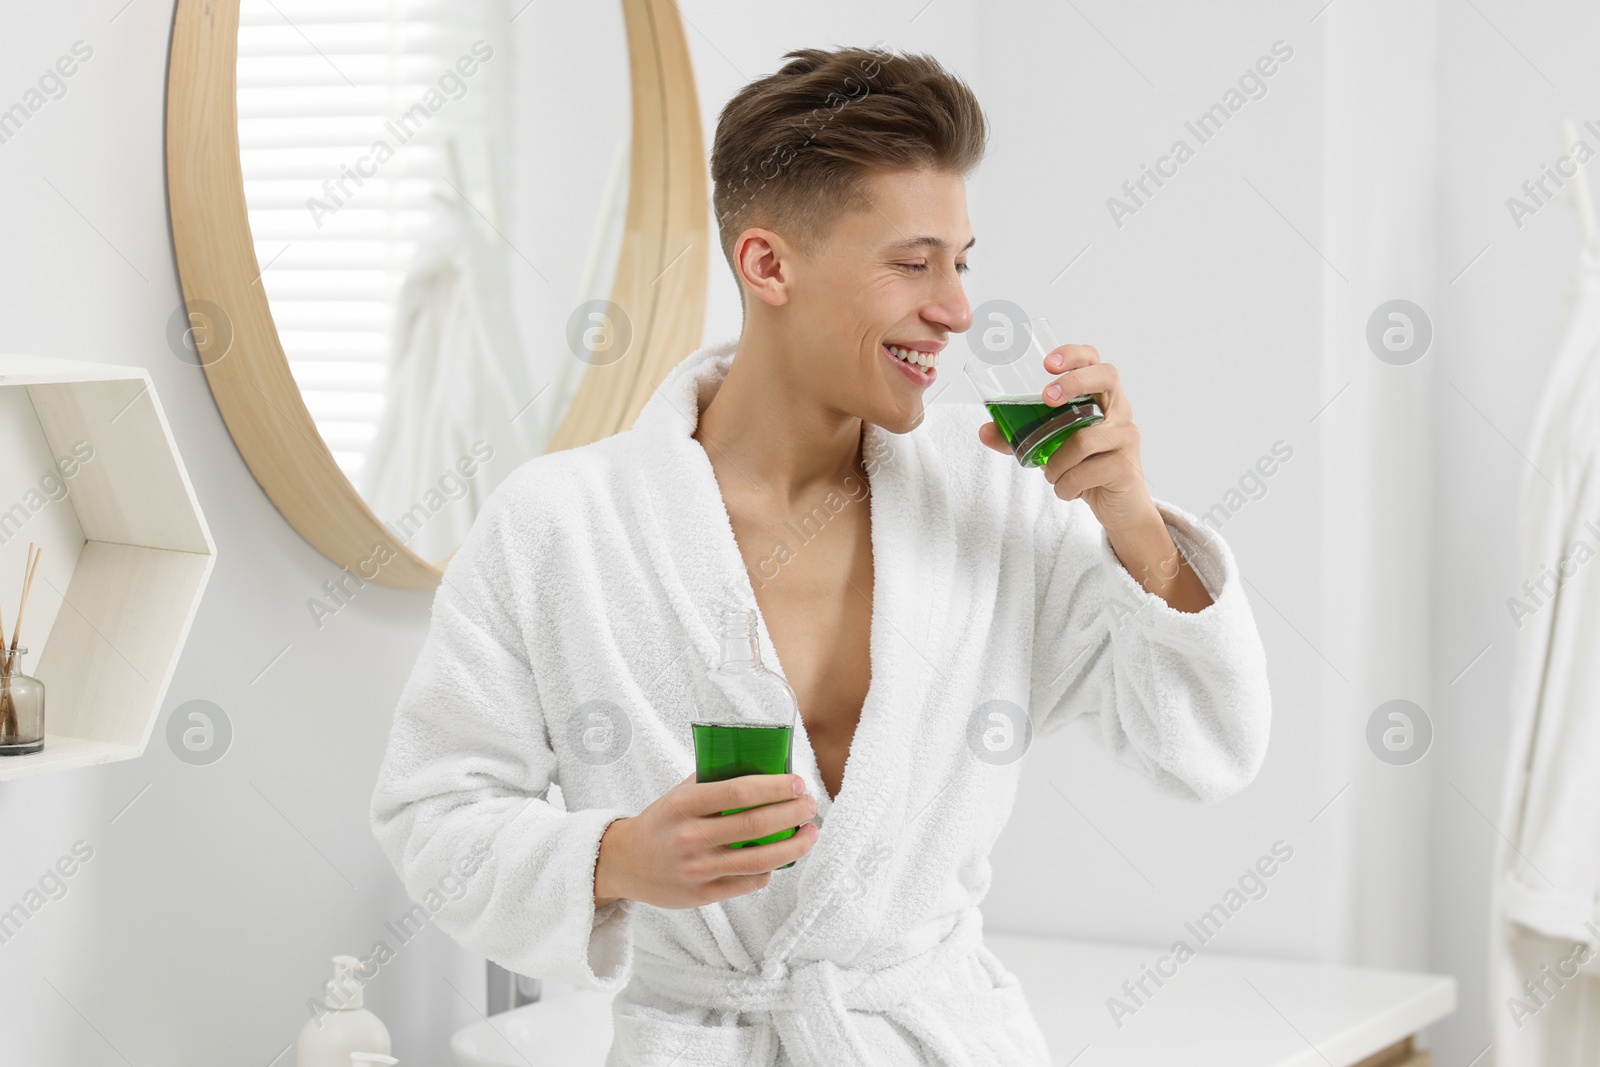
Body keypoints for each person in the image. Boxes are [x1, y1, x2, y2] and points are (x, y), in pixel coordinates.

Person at [370, 45, 1273, 1066]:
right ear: (768, 264)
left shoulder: (993, 495)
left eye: (961, 261)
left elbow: (1206, 748)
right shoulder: (563, 525)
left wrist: (1132, 520)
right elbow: (433, 816)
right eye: (911, 261)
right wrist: (617, 856)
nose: (956, 307)